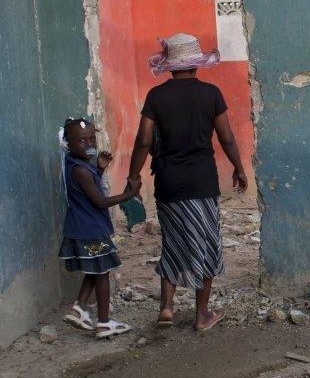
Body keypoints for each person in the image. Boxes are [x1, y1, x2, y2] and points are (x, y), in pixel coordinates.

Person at [128, 33, 248, 332]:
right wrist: (239, 167)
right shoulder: (211, 94)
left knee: (172, 243)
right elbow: (227, 137)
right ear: (196, 64)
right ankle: (202, 314)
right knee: (206, 244)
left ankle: (167, 308)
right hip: (201, 182)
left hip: (168, 183)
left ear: (170, 65)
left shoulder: (156, 96)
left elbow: (143, 140)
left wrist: (133, 175)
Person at [58, 118, 141, 339]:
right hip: (90, 230)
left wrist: (100, 169)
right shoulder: (81, 170)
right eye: (81, 141)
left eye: (91, 139)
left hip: (83, 228)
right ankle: (104, 323)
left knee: (95, 270)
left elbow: (88, 191)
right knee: (102, 273)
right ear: (68, 143)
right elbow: (99, 202)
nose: (89, 144)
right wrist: (130, 195)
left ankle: (79, 308)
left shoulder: (77, 164)